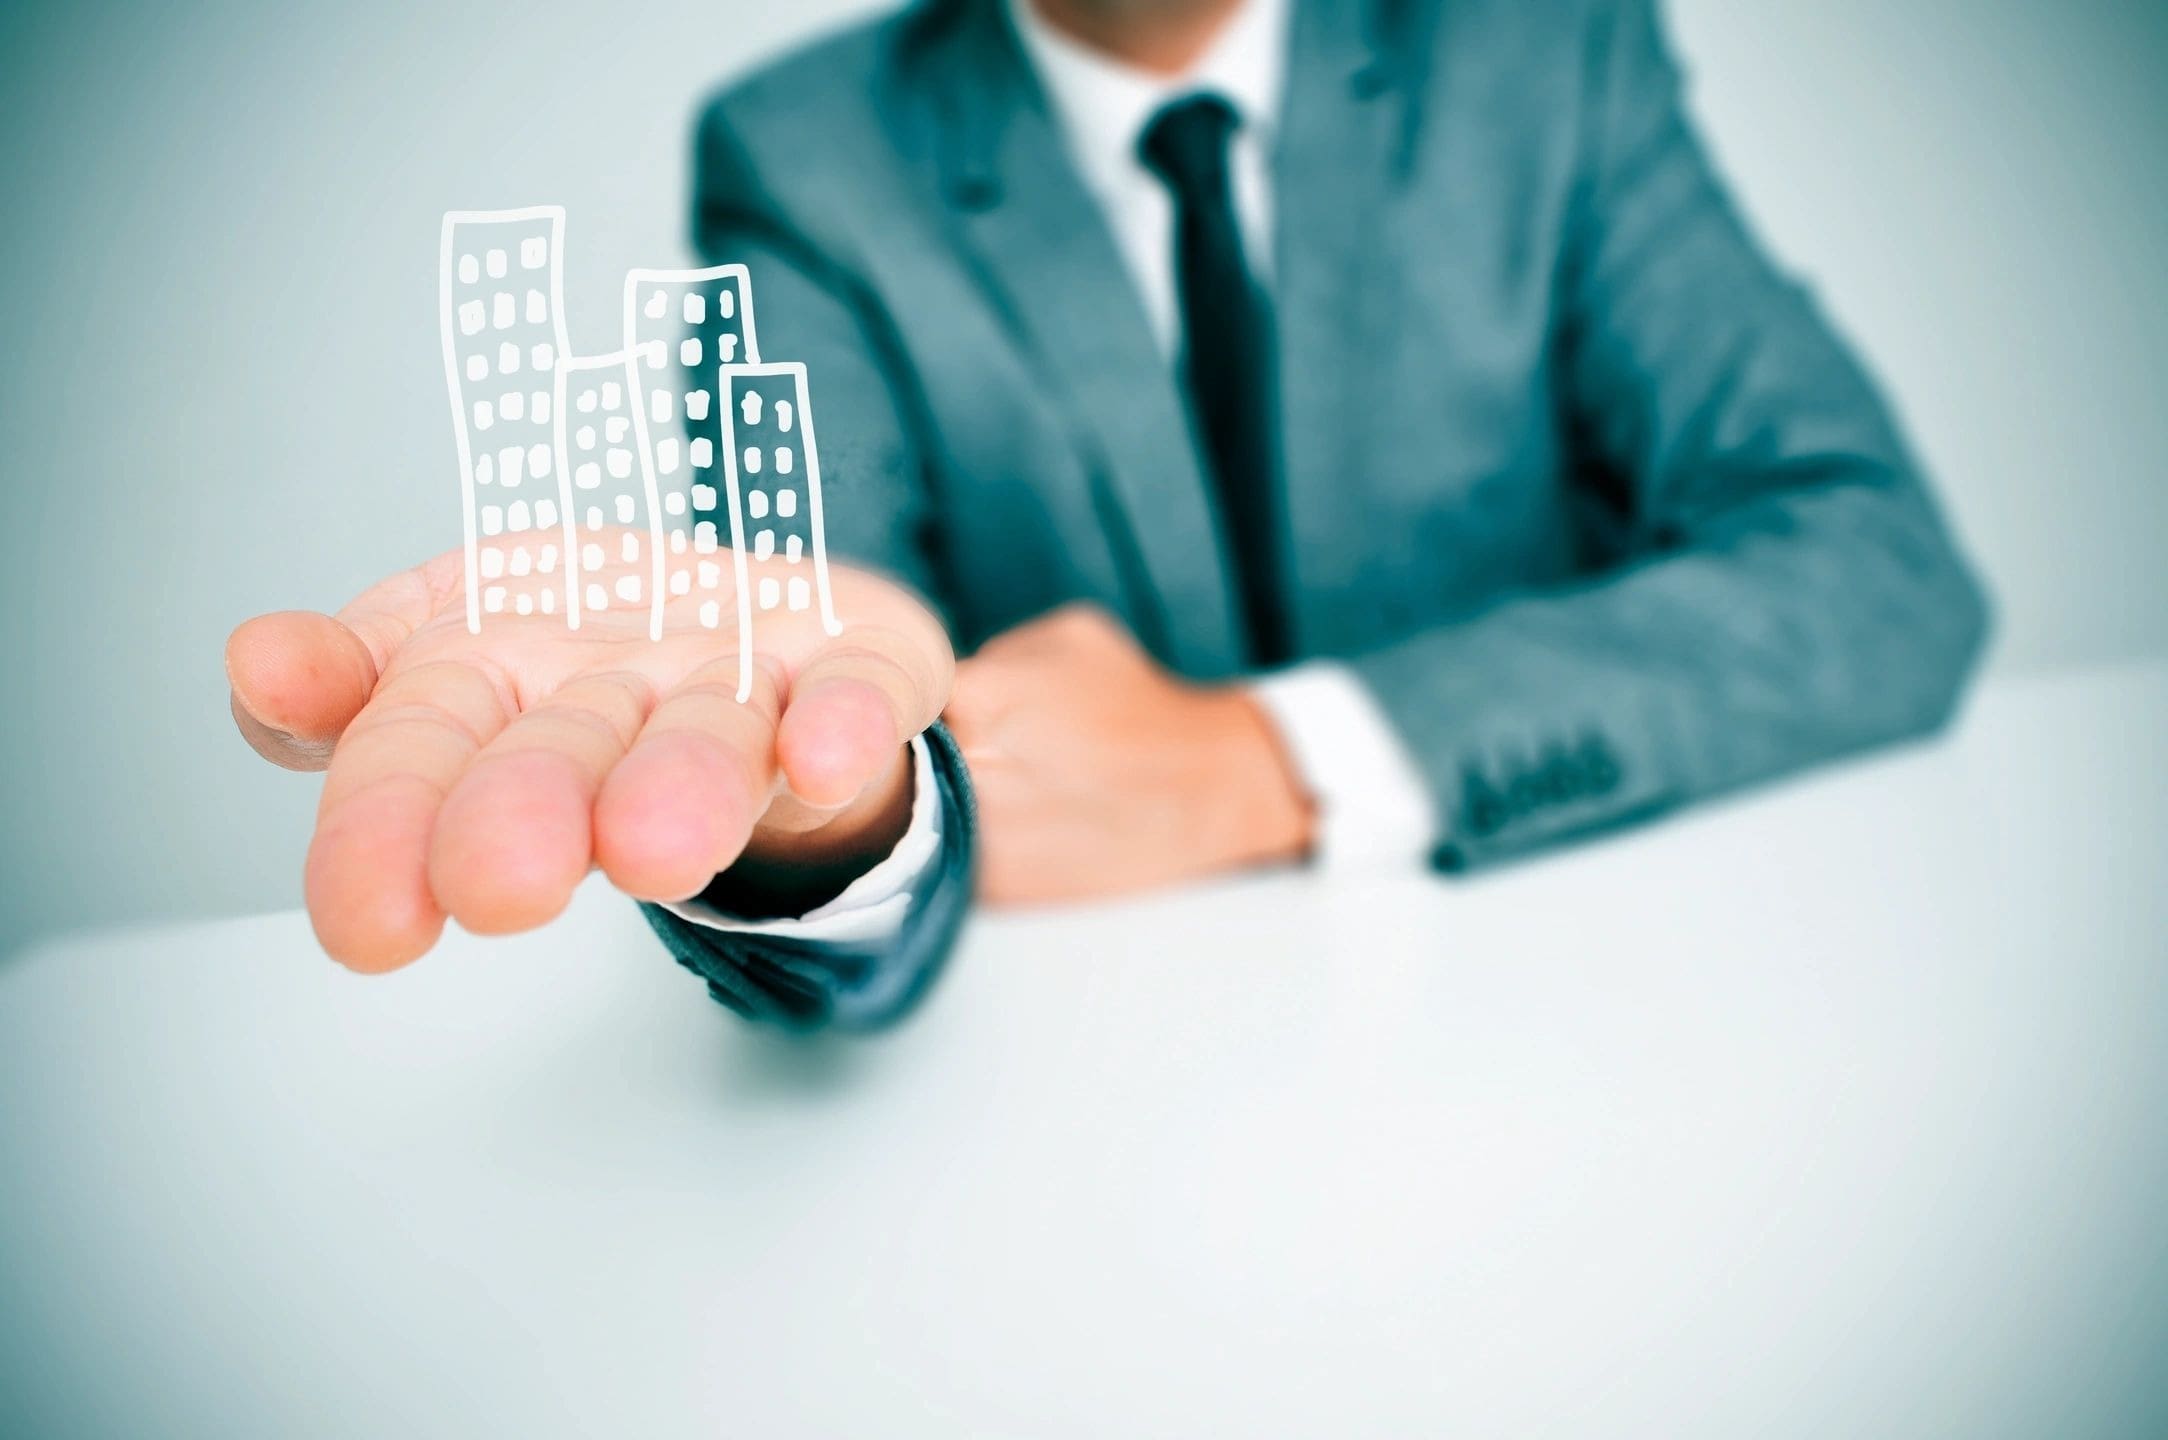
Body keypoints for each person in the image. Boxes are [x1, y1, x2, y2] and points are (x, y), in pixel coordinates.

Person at [226, 0, 1989, 1030]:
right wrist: (822, 819)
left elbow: (1879, 565)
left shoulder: (1545, 53)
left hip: (1597, 1009)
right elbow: (812, 637)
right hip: (1100, 1100)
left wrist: (1260, 759)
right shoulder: (808, 154)